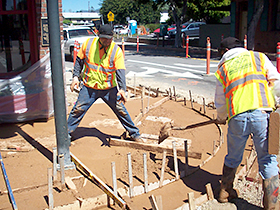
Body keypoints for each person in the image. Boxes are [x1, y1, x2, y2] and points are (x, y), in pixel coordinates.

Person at [215, 37, 280, 209]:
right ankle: (272, 205)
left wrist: (221, 117)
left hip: (237, 117)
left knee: (233, 156)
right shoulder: (258, 57)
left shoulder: (223, 68)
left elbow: (220, 100)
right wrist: (274, 100)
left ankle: (225, 192)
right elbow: (276, 81)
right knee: (267, 159)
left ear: (225, 52)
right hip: (262, 114)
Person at [67, 24, 143, 142]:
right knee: (78, 110)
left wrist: (122, 89)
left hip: (108, 88)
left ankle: (134, 134)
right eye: (104, 38)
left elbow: (120, 71)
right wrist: (75, 77)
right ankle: (66, 135)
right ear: (98, 36)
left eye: (109, 38)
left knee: (121, 110)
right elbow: (79, 61)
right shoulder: (88, 45)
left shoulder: (116, 50)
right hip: (89, 87)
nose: (107, 41)